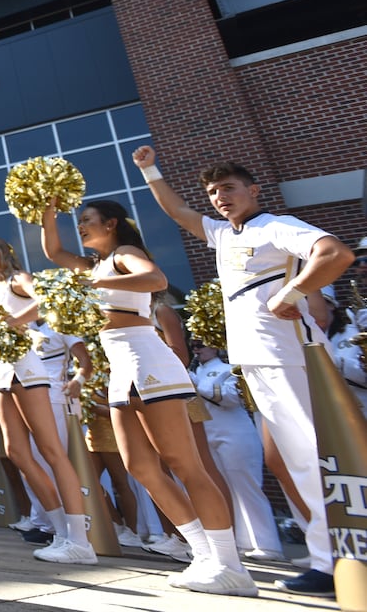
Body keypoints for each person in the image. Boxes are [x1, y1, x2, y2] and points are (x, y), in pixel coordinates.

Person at [134, 146, 353, 597]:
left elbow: (334, 253)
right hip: (257, 361)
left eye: (228, 188)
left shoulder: (276, 226)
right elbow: (178, 211)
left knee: (311, 456)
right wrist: (149, 168)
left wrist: (291, 292)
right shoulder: (222, 233)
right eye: (213, 192)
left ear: (253, 190)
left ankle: (337, 562)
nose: (219, 197)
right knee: (287, 459)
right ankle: (328, 557)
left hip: (288, 355)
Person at [41, 199, 256, 595]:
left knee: (184, 464)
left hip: (148, 361)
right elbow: (53, 251)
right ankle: (204, 554)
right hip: (121, 368)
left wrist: (97, 283)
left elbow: (155, 280)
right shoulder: (93, 265)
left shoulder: (124, 254)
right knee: (140, 466)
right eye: (79, 222)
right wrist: (47, 209)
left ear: (112, 223)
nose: (82, 227)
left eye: (87, 220)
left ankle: (231, 565)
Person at [0, 225, 96, 564]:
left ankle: (80, 541)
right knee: (16, 453)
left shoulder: (17, 280)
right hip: (3, 372)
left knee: (51, 452)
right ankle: (59, 532)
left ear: (4, 254)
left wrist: (13, 322)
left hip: (28, 369)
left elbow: (45, 300)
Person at [191, 341, 284, 559]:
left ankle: (266, 544)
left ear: (215, 347)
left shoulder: (228, 369)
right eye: (193, 345)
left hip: (234, 432)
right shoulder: (194, 371)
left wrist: (197, 385)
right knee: (220, 487)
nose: (197, 349)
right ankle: (237, 542)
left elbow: (231, 398)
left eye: (201, 344)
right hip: (208, 432)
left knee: (246, 486)